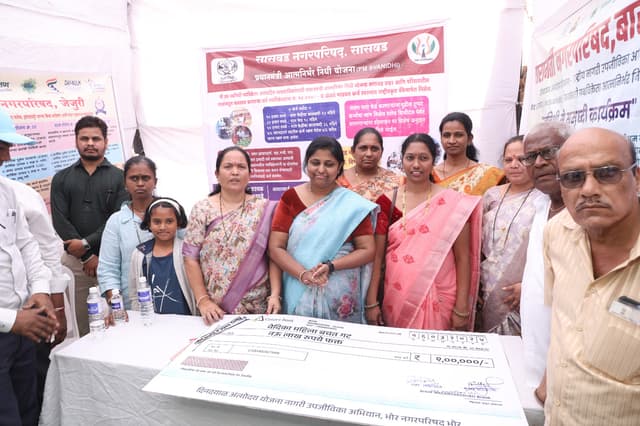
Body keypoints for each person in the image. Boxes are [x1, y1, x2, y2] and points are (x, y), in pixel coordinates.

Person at [542, 128, 640, 425]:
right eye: (573, 178)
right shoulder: (557, 232)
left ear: (637, 177)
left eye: (607, 173)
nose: (588, 190)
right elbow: (563, 322)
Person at [373, 133, 482, 330]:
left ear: (434, 161)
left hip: (441, 294)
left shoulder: (453, 203)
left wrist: (462, 307)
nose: (416, 164)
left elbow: (462, 257)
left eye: (423, 158)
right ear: (402, 160)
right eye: (410, 158)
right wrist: (371, 301)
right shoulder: (386, 201)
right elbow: (377, 258)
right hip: (397, 293)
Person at [269, 137, 377, 323]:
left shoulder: (352, 204)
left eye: (329, 164)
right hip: (297, 289)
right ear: (306, 163)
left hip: (340, 298)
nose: (321, 170)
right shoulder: (291, 198)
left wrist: (331, 266)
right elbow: (276, 247)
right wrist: (303, 274)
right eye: (315, 162)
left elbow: (367, 250)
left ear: (340, 166)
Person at [0, 109, 59, 426]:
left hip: (23, 325)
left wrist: (40, 290)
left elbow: (26, 244)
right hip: (12, 323)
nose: (7, 157)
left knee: (29, 410)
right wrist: (11, 320)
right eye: (1, 147)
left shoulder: (7, 191)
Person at [183, 146, 280, 325]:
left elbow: (274, 255)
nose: (235, 172)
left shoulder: (265, 208)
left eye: (241, 167)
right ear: (217, 174)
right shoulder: (202, 209)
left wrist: (275, 295)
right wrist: (203, 301)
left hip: (259, 307)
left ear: (250, 174)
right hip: (215, 311)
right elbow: (190, 259)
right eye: (228, 167)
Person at [51, 116, 128, 335]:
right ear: (76, 141)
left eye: (96, 138)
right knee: (84, 322)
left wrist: (86, 244)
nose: (90, 143)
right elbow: (60, 221)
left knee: (122, 316)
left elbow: (117, 219)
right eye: (84, 138)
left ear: (106, 141)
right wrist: (85, 255)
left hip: (113, 258)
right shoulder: (62, 178)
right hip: (76, 262)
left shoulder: (120, 178)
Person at [518, 121, 572, 397]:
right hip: (536, 364)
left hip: (568, 377)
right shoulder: (541, 207)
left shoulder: (588, 219)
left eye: (549, 152)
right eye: (530, 156)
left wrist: (553, 377)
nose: (538, 163)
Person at [478, 136, 542, 335]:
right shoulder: (491, 195)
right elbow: (477, 243)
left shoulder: (544, 199)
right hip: (485, 286)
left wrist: (528, 286)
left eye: (522, 159)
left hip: (523, 290)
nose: (514, 165)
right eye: (508, 160)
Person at [97, 156, 157, 309]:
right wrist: (116, 306)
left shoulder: (171, 213)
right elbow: (108, 269)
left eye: (145, 178)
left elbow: (187, 256)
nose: (140, 183)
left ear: (155, 181)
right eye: (134, 178)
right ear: (125, 183)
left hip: (172, 300)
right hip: (132, 307)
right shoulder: (116, 221)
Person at [128, 198, 195, 315]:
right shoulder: (140, 254)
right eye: (157, 222)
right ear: (149, 223)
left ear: (178, 223)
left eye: (169, 221)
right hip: (153, 322)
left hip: (186, 320)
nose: (163, 227)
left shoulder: (187, 251)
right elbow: (134, 293)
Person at [432, 112, 505, 195]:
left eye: (458, 135)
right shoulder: (429, 174)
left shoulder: (488, 174)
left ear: (469, 139)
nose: (451, 141)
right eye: (446, 135)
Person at [337, 127, 403, 201]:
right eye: (363, 148)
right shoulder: (338, 180)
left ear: (381, 152)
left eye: (374, 149)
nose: (369, 154)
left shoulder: (394, 181)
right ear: (353, 151)